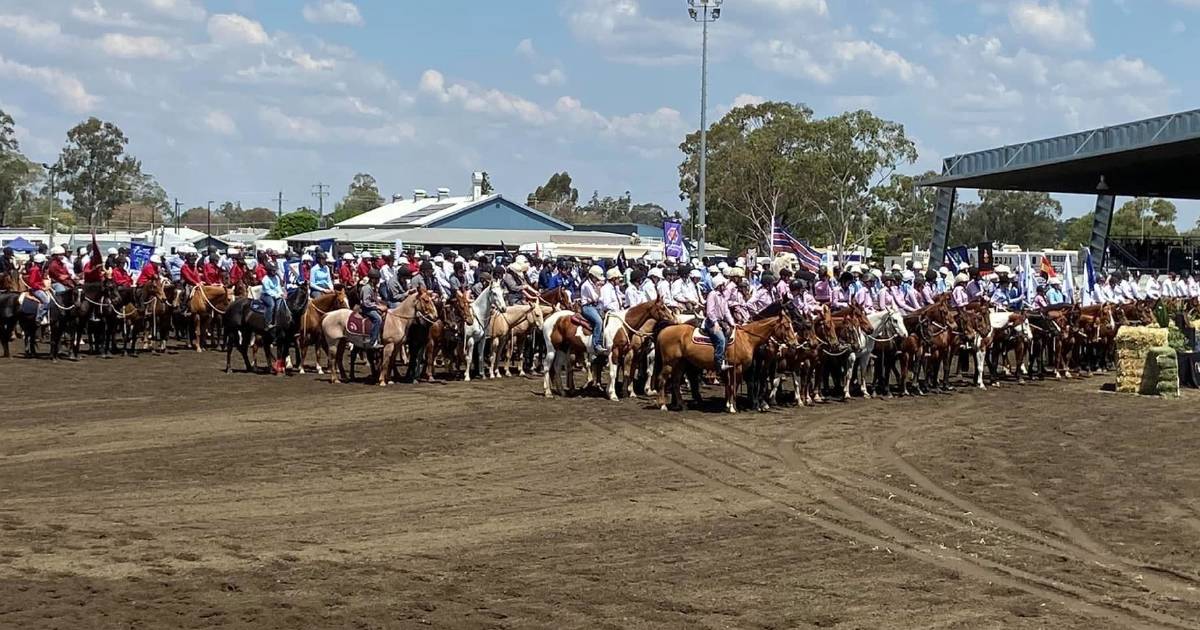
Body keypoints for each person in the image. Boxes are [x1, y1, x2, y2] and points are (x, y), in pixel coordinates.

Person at [704, 275, 735, 371]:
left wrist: (732, 323)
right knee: (721, 339)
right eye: (723, 284)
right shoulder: (712, 294)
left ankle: (725, 358)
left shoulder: (723, 296)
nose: (724, 286)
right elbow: (710, 311)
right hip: (712, 322)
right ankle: (718, 362)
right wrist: (715, 323)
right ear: (718, 285)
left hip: (721, 321)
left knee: (730, 334)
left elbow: (726, 311)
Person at [579, 265, 607, 352]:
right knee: (598, 321)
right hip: (587, 307)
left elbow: (600, 298)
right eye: (597, 278)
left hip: (595, 305)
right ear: (592, 276)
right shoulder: (586, 285)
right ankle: (596, 344)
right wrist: (599, 290)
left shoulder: (594, 284)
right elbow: (596, 298)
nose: (598, 280)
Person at [358, 269, 387, 348]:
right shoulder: (367, 288)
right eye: (377, 279)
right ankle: (373, 341)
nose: (378, 281)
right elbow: (366, 302)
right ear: (373, 279)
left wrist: (381, 303)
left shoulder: (372, 287)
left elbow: (374, 299)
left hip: (371, 307)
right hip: (366, 309)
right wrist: (377, 306)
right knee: (378, 319)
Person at [24, 253, 49, 323]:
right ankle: (39, 317)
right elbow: (32, 283)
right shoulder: (35, 269)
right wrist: (41, 287)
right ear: (41, 262)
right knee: (46, 301)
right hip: (36, 290)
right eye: (44, 262)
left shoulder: (38, 269)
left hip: (39, 288)